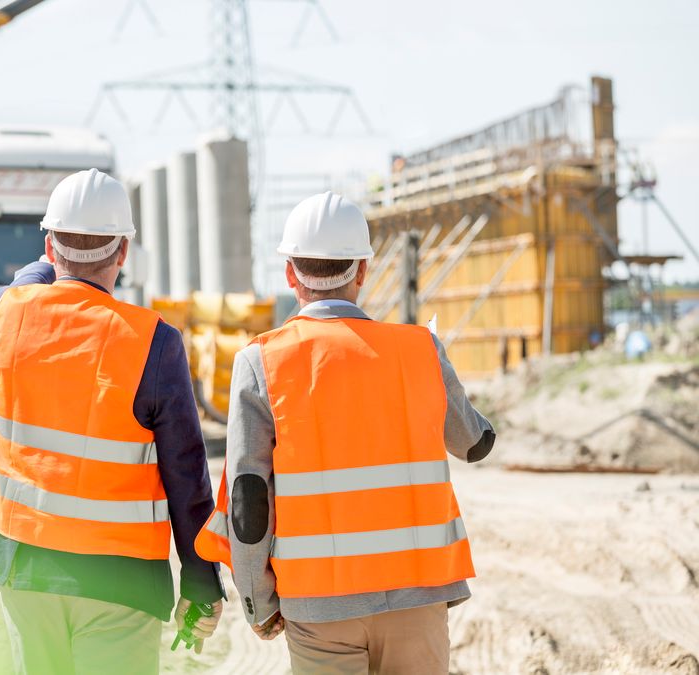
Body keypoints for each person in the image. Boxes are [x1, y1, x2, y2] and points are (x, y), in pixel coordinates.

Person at [195, 192, 496, 674]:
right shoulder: (420, 349)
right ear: (363, 270)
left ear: (290, 274)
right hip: (418, 595)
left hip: (319, 606)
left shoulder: (262, 362)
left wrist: (257, 599)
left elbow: (248, 496)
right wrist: (433, 366)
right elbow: (475, 443)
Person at [0, 169, 224, 674]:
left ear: (48, 246)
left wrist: (48, 259)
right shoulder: (154, 343)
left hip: (25, 566)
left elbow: (24, 283)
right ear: (123, 252)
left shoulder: (4, 314)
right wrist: (201, 579)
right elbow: (186, 472)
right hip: (120, 581)